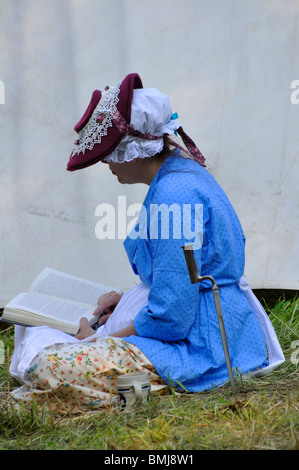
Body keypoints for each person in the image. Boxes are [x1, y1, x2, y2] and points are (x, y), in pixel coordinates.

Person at [9, 73, 284, 411]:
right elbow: (181, 277)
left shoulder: (173, 196)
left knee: (52, 365)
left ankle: (142, 392)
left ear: (133, 150)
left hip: (201, 347)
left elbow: (172, 318)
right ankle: (132, 391)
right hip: (217, 330)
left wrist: (100, 337)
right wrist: (127, 301)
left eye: (108, 154)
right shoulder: (181, 173)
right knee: (44, 349)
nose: (106, 163)